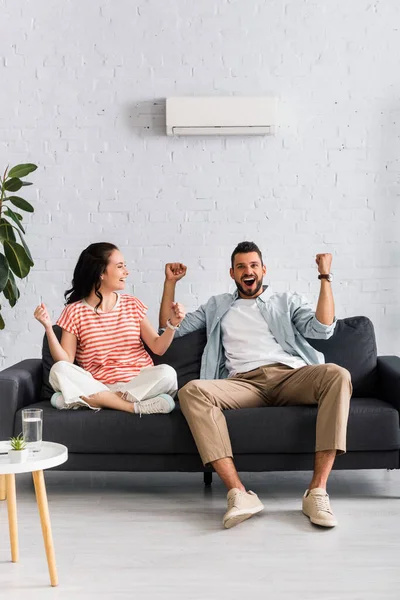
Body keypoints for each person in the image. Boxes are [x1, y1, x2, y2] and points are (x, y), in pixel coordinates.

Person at [159, 241, 352, 529]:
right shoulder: (217, 306)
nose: (247, 271)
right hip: (243, 383)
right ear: (232, 273)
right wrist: (170, 284)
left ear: (263, 269)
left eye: (253, 265)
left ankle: (317, 491)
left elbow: (323, 329)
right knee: (191, 391)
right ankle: (239, 493)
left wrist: (325, 277)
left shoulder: (285, 301)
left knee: (337, 374)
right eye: (241, 267)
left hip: (289, 376)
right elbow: (167, 330)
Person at [34, 242, 185, 415]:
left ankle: (93, 401)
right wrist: (48, 327)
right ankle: (130, 407)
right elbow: (66, 361)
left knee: (168, 373)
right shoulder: (74, 312)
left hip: (136, 385)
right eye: (120, 267)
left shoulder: (132, 304)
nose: (126, 272)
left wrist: (172, 324)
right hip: (98, 385)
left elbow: (158, 348)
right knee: (58, 370)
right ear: (101, 272)